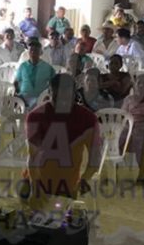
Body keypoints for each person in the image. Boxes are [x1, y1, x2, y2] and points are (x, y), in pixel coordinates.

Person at [24, 74, 102, 206]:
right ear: (49, 93)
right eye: (58, 97)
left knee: (62, 222)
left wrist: (83, 180)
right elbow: (32, 157)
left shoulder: (88, 120)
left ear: (75, 94)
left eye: (67, 97)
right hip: (36, 180)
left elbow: (95, 159)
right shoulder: (35, 117)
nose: (62, 102)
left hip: (68, 185)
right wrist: (35, 187)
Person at [14, 40, 56, 108]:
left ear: (40, 52)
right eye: (31, 50)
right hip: (23, 96)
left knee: (36, 104)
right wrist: (15, 93)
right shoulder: (23, 66)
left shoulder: (47, 67)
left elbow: (54, 83)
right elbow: (16, 81)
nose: (33, 52)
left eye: (36, 50)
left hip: (40, 97)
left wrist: (49, 95)